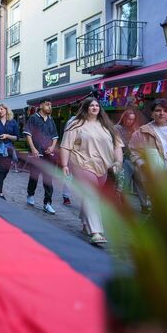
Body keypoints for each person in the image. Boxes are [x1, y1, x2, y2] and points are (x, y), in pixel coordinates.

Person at [60, 97, 123, 245]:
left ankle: (85, 224)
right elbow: (65, 146)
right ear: (86, 108)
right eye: (91, 105)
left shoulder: (107, 126)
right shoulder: (76, 124)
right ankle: (96, 232)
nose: (94, 107)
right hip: (81, 163)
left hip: (102, 167)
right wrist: (64, 165)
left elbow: (117, 146)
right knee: (91, 195)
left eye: (96, 105)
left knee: (90, 196)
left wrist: (118, 162)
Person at [129, 99, 167, 213]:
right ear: (152, 114)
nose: (162, 113)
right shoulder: (141, 132)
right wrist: (143, 165)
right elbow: (134, 151)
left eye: (165, 110)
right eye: (158, 110)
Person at [23, 98, 59, 214]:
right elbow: (28, 134)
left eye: (51, 105)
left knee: (48, 179)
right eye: (48, 105)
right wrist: (33, 149)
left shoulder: (51, 120)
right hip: (36, 153)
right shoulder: (33, 118)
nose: (50, 107)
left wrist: (53, 147)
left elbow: (55, 137)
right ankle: (30, 194)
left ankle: (47, 203)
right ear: (41, 105)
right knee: (34, 176)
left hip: (49, 154)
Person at [114, 109, 147, 207]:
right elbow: (118, 144)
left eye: (133, 119)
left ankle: (145, 205)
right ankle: (122, 205)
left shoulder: (135, 128)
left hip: (135, 159)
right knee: (124, 184)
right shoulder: (117, 128)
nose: (130, 121)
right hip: (124, 159)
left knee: (141, 184)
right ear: (124, 118)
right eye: (129, 119)